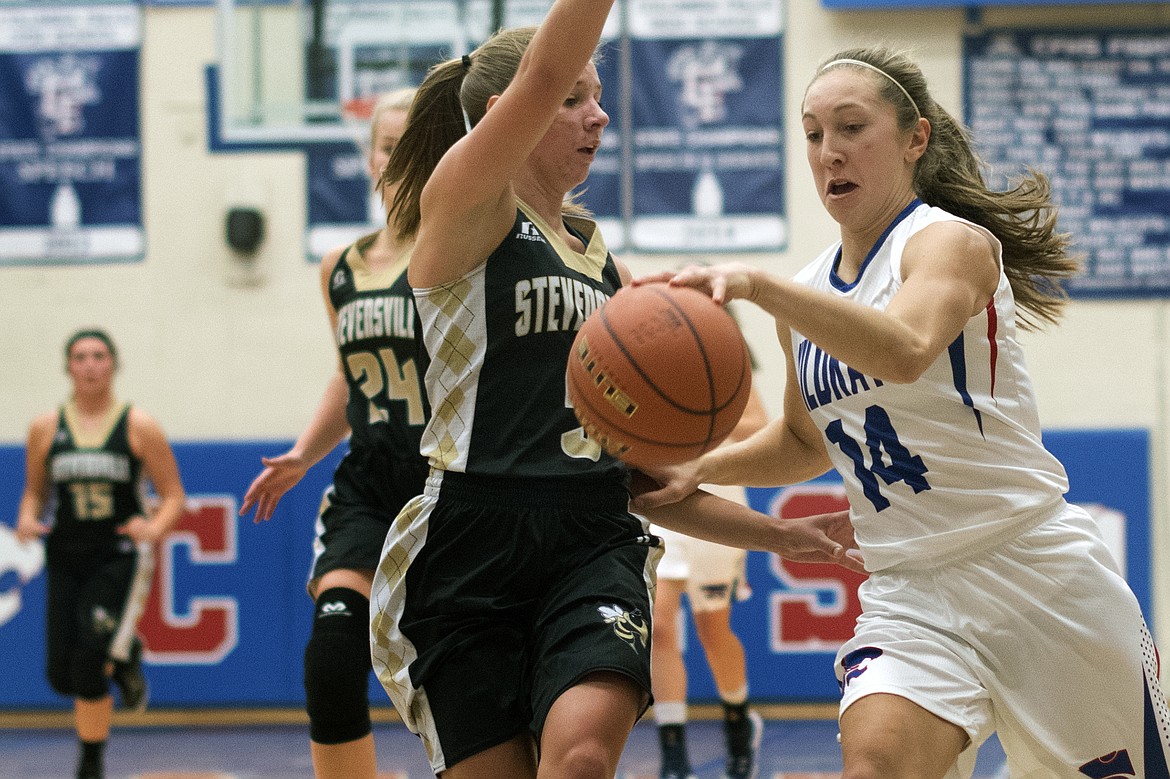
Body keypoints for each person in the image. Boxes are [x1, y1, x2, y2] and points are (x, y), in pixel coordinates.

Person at [633, 45, 1170, 778]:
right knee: (876, 761)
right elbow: (801, 440)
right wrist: (700, 464)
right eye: (814, 133)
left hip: (1036, 575)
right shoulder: (811, 286)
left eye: (851, 128)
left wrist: (759, 286)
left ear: (916, 138)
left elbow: (908, 347)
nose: (829, 153)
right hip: (910, 592)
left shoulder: (949, 243)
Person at [366, 5, 863, 777]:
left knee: (584, 754)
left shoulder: (600, 262)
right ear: (505, 117)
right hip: (467, 540)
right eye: (573, 97)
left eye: (599, 96)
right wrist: (560, 62)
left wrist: (785, 537)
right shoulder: (464, 203)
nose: (598, 114)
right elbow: (540, 69)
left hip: (591, 540)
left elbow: (641, 480)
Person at [239, 87, 429, 779]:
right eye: (388, 145)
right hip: (371, 483)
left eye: (416, 143)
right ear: (371, 158)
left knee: (467, 681)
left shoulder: (463, 251)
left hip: (455, 483)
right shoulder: (340, 268)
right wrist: (300, 453)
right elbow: (352, 377)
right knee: (332, 654)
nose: (400, 156)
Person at [15, 329, 186, 779]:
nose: (90, 364)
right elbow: (34, 492)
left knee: (90, 661)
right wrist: (27, 520)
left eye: (99, 356)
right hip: (65, 552)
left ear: (114, 364)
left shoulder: (138, 425)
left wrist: (153, 527)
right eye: (80, 357)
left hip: (116, 554)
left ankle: (90, 763)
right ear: (67, 366)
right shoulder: (45, 427)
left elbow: (173, 496)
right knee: (60, 675)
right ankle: (126, 652)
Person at [651, 382, 768, 779]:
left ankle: (738, 720)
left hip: (717, 500)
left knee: (712, 629)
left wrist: (696, 416)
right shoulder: (643, 348)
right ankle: (672, 750)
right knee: (661, 625)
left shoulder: (721, 348)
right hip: (659, 502)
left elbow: (759, 426)